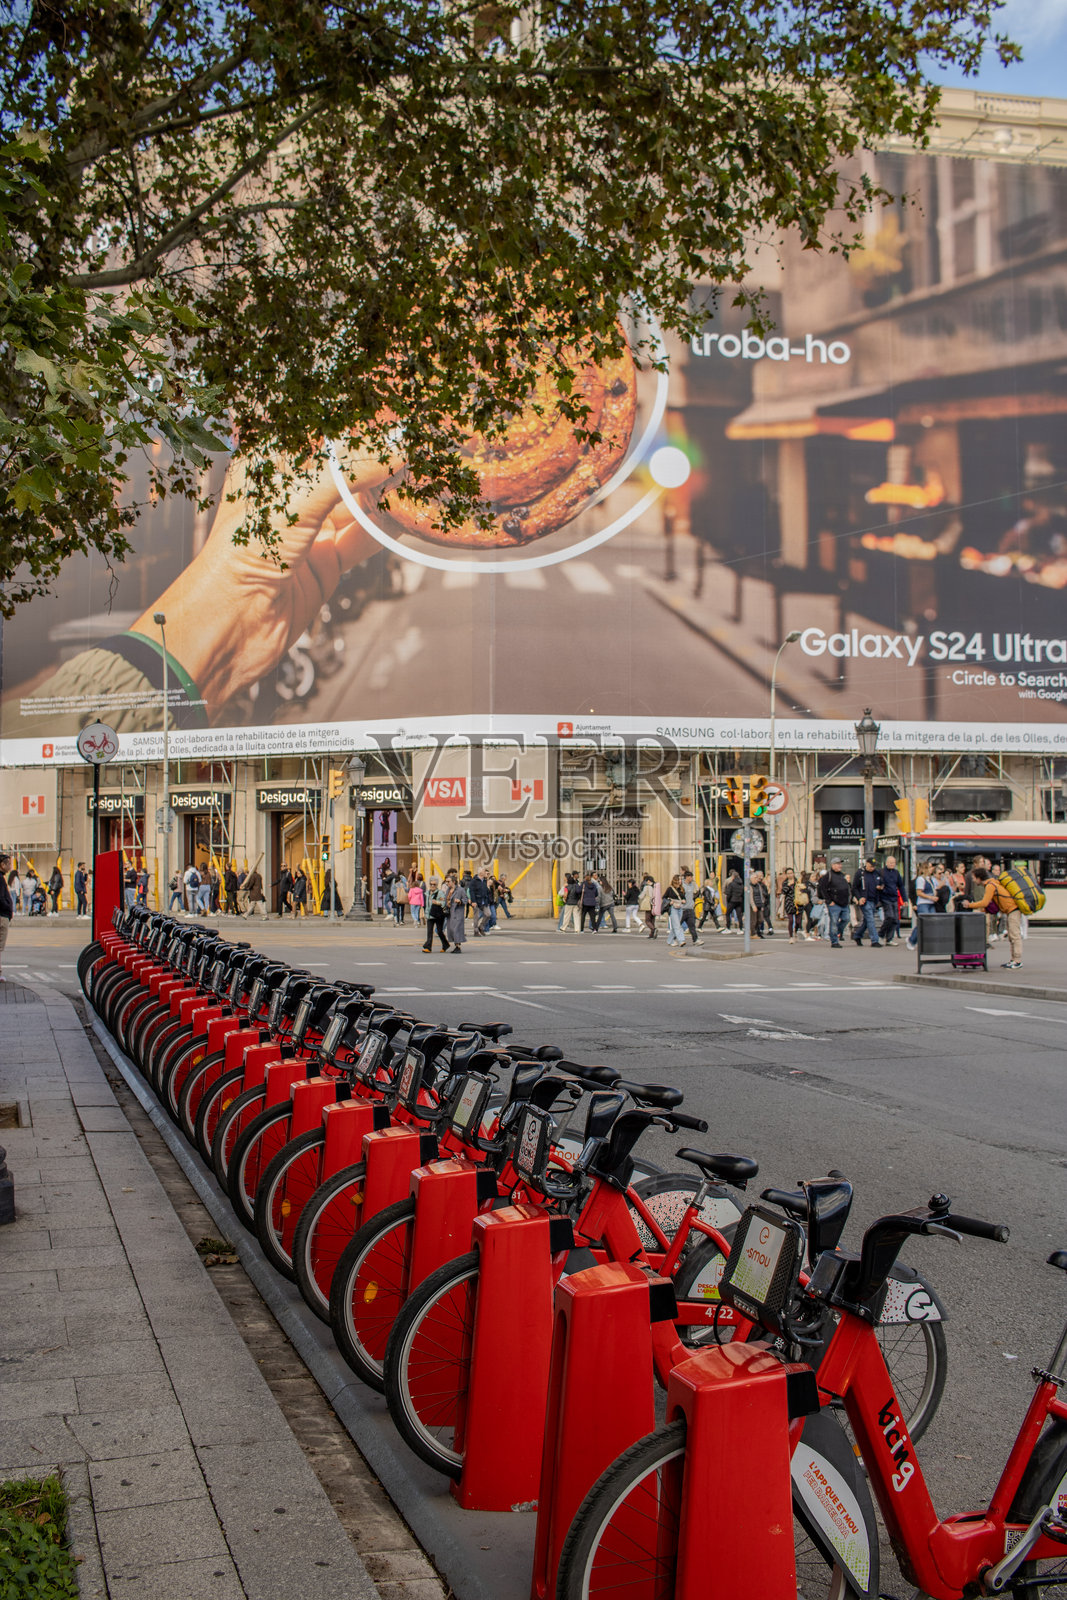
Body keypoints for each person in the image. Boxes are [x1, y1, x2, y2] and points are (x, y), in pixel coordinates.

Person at [965, 867, 1023, 969]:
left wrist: (970, 905)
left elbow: (985, 902)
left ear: (979, 878)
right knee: (1011, 936)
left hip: (1013, 910)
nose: (973, 880)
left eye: (974, 878)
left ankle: (1017, 960)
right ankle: (1013, 959)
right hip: (1010, 911)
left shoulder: (990, 886)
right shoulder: (992, 883)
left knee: (1015, 936)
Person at [817, 858, 852, 948]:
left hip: (844, 903)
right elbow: (823, 889)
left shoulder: (842, 875)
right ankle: (834, 941)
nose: (840, 865)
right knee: (834, 922)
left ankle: (836, 932)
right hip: (834, 903)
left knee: (846, 919)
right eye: (837, 864)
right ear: (832, 865)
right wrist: (829, 901)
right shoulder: (828, 876)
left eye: (840, 864)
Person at [850, 858, 885, 947]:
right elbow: (854, 887)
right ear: (867, 864)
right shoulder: (860, 873)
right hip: (865, 900)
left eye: (873, 866)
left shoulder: (876, 873)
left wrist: (880, 887)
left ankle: (857, 935)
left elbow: (881, 883)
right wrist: (859, 897)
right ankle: (874, 940)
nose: (872, 868)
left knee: (867, 921)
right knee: (870, 919)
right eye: (870, 866)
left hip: (874, 900)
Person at [906, 860, 938, 949]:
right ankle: (912, 940)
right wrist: (930, 897)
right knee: (923, 923)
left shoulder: (931, 879)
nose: (932, 869)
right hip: (923, 903)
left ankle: (927, 941)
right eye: (930, 867)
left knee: (932, 923)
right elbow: (919, 893)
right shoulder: (921, 879)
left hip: (931, 903)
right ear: (925, 869)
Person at [879, 854, 904, 946]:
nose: (892, 864)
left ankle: (889, 939)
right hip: (885, 898)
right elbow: (878, 883)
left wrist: (904, 899)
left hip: (894, 898)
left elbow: (901, 886)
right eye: (890, 862)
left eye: (893, 863)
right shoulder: (881, 872)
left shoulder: (896, 873)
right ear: (886, 863)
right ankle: (881, 934)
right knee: (889, 916)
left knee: (895, 920)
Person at [422, 878, 450, 952]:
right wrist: (424, 914)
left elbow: (443, 903)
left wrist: (437, 902)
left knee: (439, 931)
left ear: (437, 885)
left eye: (434, 884)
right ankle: (428, 947)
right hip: (429, 915)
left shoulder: (440, 893)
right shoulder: (427, 893)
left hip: (438, 915)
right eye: (431, 884)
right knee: (429, 931)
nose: (432, 886)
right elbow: (426, 905)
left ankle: (445, 944)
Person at [444, 872, 467, 953]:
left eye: (448, 881)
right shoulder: (448, 890)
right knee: (451, 929)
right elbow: (446, 900)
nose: (447, 883)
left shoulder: (460, 890)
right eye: (446, 881)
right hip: (450, 913)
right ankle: (456, 945)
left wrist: (459, 901)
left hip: (457, 913)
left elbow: (465, 900)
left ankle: (458, 947)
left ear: (453, 882)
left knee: (456, 929)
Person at [663, 874, 686, 946]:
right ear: (675, 880)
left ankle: (670, 940)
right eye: (679, 879)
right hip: (673, 908)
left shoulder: (681, 889)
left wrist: (684, 900)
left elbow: (683, 897)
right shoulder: (670, 889)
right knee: (677, 925)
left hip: (680, 908)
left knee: (676, 925)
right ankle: (681, 940)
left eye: (681, 879)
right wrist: (670, 902)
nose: (681, 881)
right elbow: (664, 898)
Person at [679, 872, 701, 945]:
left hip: (690, 908)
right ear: (687, 877)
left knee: (692, 926)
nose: (692, 878)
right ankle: (672, 939)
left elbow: (696, 892)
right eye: (691, 877)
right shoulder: (681, 885)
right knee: (678, 925)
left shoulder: (692, 885)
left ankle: (695, 940)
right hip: (682, 909)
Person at [0, 853, 12, 976]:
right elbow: (1, 898)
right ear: (2, 865)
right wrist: (7, 908)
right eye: (8, 864)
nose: (10, 867)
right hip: (2, 916)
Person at [469, 868, 492, 935]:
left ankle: (481, 926)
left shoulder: (485, 880)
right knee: (476, 916)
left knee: (488, 914)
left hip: (484, 901)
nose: (486, 873)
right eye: (485, 871)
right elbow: (471, 891)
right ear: (481, 873)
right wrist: (473, 901)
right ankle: (476, 931)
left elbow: (486, 891)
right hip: (476, 900)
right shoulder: (474, 881)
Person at [781, 868, 800, 943]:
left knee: (798, 921)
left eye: (791, 873)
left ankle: (796, 931)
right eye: (788, 873)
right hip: (789, 902)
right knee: (791, 920)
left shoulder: (797, 881)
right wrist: (788, 885)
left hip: (798, 902)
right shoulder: (785, 882)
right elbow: (783, 891)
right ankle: (791, 936)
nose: (790, 875)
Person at [749, 871, 769, 939]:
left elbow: (761, 895)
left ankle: (755, 930)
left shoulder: (758, 885)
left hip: (759, 904)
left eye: (756, 878)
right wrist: (753, 905)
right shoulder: (750, 886)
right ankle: (753, 933)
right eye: (755, 878)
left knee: (760, 919)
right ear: (751, 879)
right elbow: (750, 897)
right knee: (753, 920)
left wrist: (762, 904)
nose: (756, 879)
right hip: (754, 905)